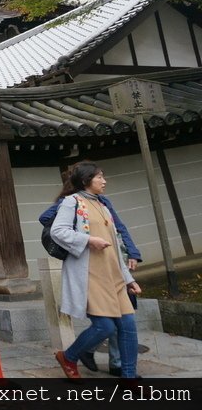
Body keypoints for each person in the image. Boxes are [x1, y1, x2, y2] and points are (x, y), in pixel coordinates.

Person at [50, 161, 142, 380]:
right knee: (104, 327)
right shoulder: (72, 202)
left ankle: (129, 378)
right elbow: (58, 231)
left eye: (103, 176)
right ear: (85, 180)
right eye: (99, 177)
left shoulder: (103, 205)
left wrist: (129, 279)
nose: (104, 181)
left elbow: (116, 246)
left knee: (128, 326)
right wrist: (88, 240)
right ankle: (69, 356)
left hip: (115, 275)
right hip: (91, 274)